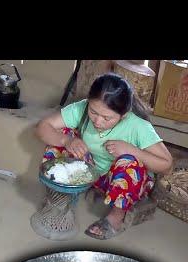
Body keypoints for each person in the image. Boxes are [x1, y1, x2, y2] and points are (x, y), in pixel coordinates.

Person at [36, 73, 173, 239]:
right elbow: (43, 127)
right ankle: (60, 195)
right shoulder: (82, 108)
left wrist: (131, 150)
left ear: (124, 115)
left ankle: (116, 216)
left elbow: (166, 164)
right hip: (92, 171)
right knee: (63, 133)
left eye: (107, 118)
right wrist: (66, 140)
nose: (98, 121)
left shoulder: (138, 126)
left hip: (126, 182)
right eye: (93, 112)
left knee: (129, 162)